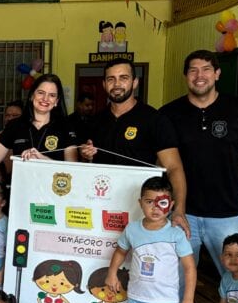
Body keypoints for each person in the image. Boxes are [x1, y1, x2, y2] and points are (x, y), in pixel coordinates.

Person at [159, 50, 238, 274]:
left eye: (206, 69)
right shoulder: (168, 114)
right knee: (175, 279)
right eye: (193, 70)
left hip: (229, 215)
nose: (200, 75)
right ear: (185, 76)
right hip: (182, 213)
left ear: (217, 74)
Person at [79, 58, 190, 237]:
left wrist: (179, 210)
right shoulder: (95, 121)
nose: (117, 84)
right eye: (111, 79)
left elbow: (174, 168)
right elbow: (87, 164)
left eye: (123, 78)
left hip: (141, 211)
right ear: (104, 84)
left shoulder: (155, 120)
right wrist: (86, 155)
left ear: (135, 82)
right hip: (101, 208)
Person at [0, 74, 79, 167]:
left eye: (52, 95)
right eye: (41, 93)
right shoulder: (15, 125)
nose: (45, 99)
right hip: (22, 183)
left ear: (56, 102)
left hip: (52, 184)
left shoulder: (66, 127)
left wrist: (43, 159)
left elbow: (71, 169)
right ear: (32, 96)